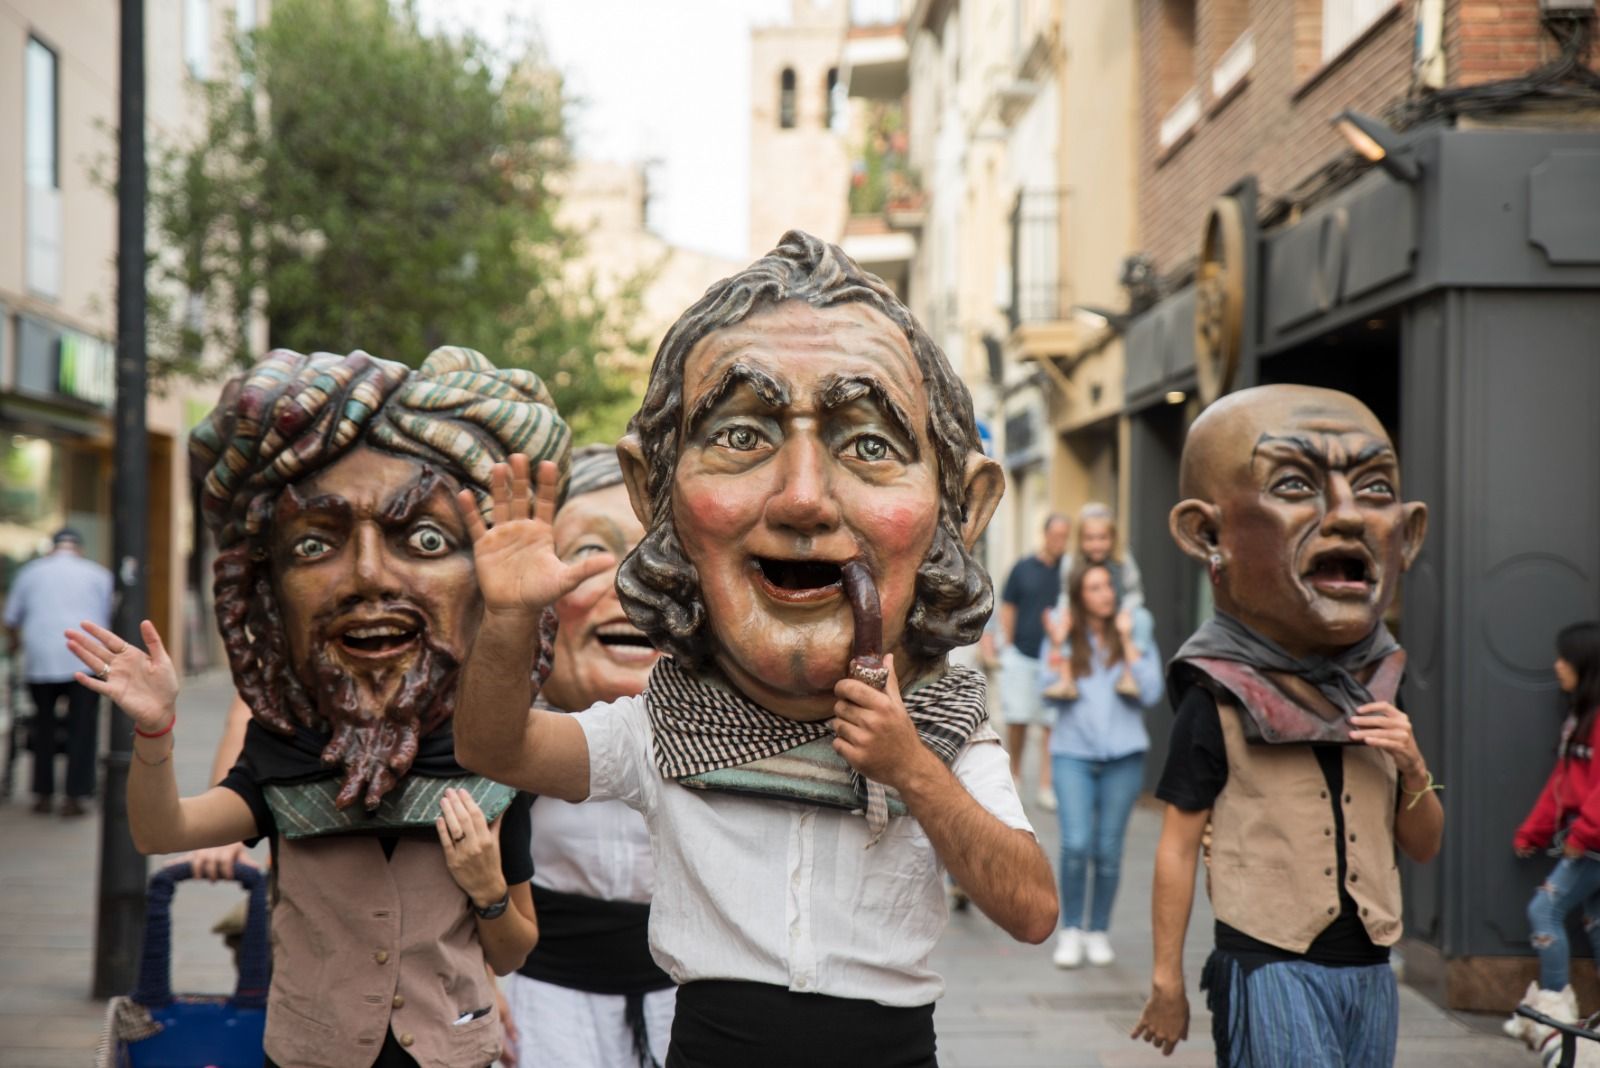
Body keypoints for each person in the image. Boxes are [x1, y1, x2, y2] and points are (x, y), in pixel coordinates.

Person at [454, 232, 1057, 1068]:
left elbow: (1031, 910)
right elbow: (495, 747)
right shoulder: (663, 728)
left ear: (964, 506)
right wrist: (508, 620)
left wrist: (911, 767)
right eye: (742, 436)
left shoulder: (940, 729)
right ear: (653, 491)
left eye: (870, 445)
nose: (803, 500)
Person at [70, 347, 571, 1068]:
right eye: (314, 544)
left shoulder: (492, 769)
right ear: (267, 595)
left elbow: (514, 950)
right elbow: (162, 830)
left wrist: (488, 889)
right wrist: (156, 731)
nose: (367, 576)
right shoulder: (286, 761)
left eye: (425, 539)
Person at [1131, 384, 1443, 1068]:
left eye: (1374, 489)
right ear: (1206, 535)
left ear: (1408, 535)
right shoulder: (1216, 695)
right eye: (1295, 484)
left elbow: (1422, 845)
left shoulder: (1382, 685)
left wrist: (1414, 766)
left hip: (1370, 971)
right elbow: (1177, 847)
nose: (1347, 515)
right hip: (1269, 965)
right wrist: (1166, 980)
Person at [501, 445, 676, 1068]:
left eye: (659, 557)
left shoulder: (733, 730)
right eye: (591, 553)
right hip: (540, 1009)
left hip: (687, 1005)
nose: (630, 586)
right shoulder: (496, 734)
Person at [1041, 562, 1161, 970]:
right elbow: (1046, 691)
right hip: (1072, 753)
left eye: (1108, 585)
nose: (1105, 593)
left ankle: (1098, 930)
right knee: (1075, 845)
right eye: (1094, 587)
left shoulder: (1133, 631)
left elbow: (1151, 692)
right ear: (1080, 596)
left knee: (1108, 851)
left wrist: (1127, 641)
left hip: (1123, 757)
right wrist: (1058, 645)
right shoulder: (1065, 634)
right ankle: (1072, 929)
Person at [1505, 621, 1600, 1055]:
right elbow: (1562, 783)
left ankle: (1554, 1013)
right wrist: (1535, 830)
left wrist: (1584, 832)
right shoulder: (1580, 717)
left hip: (1591, 842)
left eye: (1565, 658)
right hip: (1586, 837)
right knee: (1596, 925)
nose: (1557, 665)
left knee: (1544, 910)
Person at [3, 527, 113, 817]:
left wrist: (16, 643)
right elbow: (108, 619)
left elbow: (11, 618)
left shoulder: (30, 572)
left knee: (43, 725)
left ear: (52, 547)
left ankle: (43, 794)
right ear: (80, 548)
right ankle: (75, 796)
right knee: (83, 727)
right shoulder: (98, 574)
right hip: (85, 658)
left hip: (40, 660)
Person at [1000, 514, 1071, 810]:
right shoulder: (1023, 568)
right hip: (1021, 655)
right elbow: (1007, 607)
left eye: (1065, 536)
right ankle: (1015, 775)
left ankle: (1045, 785)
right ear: (1045, 534)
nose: (1060, 541)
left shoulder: (1069, 573)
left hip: (1054, 659)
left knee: (1050, 724)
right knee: (1017, 719)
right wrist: (1009, 644)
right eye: (1056, 535)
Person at [1043, 503, 1147, 702]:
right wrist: (1065, 613)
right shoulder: (1071, 561)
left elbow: (1135, 592)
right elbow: (1065, 592)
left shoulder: (1123, 560)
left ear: (1113, 538)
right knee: (1058, 618)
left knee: (1143, 618)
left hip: (1118, 610)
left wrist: (1126, 611)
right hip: (1080, 611)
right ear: (1080, 539)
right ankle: (1065, 678)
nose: (1096, 545)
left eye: (1102, 538)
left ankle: (1129, 675)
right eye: (1090, 539)